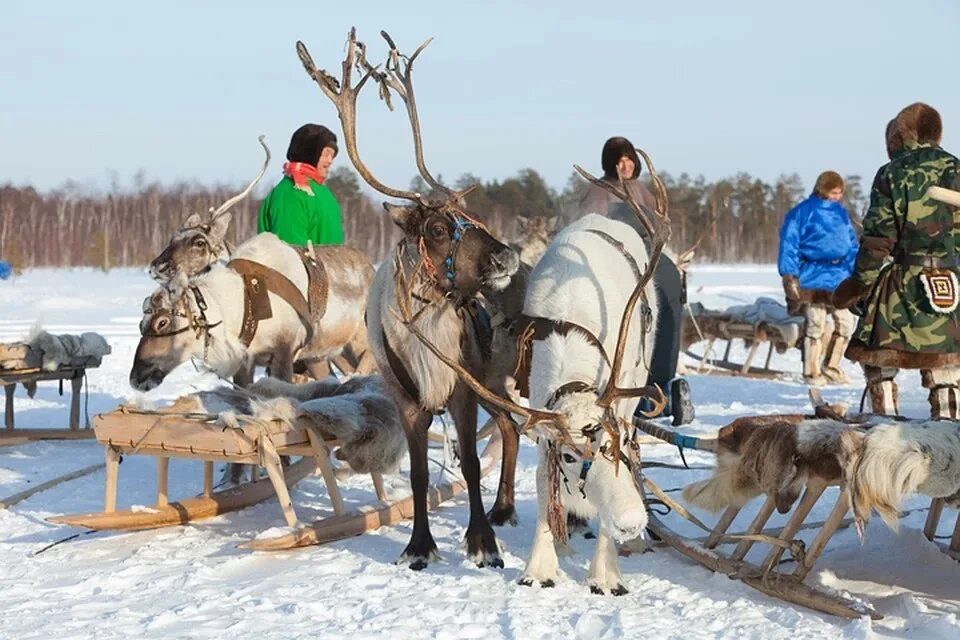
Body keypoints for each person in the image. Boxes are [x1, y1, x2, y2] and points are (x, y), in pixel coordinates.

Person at [832, 102, 960, 418]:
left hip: (902, 287)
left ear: (900, 136)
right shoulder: (957, 169)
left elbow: (878, 240)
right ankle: (948, 437)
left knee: (879, 360)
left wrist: (859, 285)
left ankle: (885, 431)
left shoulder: (893, 173)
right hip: (953, 289)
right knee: (947, 365)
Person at [579, 136, 695, 426]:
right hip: (618, 252)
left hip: (649, 252)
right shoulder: (600, 191)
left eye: (630, 160)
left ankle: (660, 385)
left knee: (669, 285)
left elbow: (659, 223)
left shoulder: (641, 190)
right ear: (610, 163)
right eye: (620, 161)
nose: (625, 166)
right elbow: (588, 227)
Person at [777, 171, 859, 385]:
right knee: (816, 325)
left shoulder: (841, 214)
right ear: (823, 190)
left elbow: (851, 245)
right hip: (813, 276)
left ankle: (831, 365)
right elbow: (789, 244)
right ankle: (811, 371)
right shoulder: (802, 212)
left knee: (846, 324)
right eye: (834, 192)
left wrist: (855, 271)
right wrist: (789, 275)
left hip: (840, 277)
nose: (837, 196)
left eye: (840, 192)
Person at [257, 123, 344, 246]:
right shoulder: (290, 194)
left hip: (334, 264)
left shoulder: (321, 191)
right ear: (309, 153)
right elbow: (290, 254)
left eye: (332, 155)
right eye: (326, 154)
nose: (330, 161)